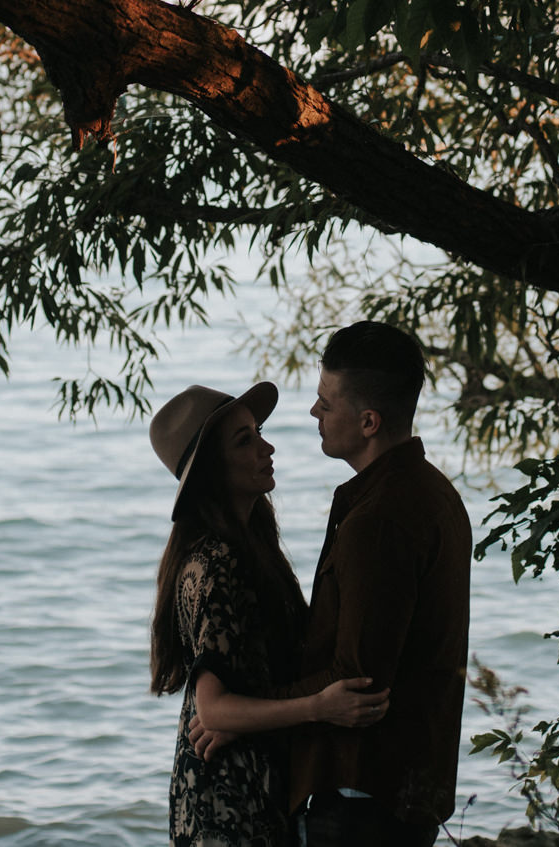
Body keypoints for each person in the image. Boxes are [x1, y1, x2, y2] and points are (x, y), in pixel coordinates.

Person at [195, 323, 473, 847]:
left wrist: (245, 715)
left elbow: (356, 683)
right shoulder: (432, 492)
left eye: (325, 402)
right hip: (401, 787)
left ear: (368, 421)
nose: (313, 413)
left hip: (361, 794)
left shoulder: (382, 518)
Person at [149, 381, 390, 847]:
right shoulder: (219, 562)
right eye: (245, 441)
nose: (267, 446)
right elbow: (213, 708)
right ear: (212, 473)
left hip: (248, 787)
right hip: (227, 803)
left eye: (257, 430)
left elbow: (242, 690)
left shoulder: (250, 548)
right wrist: (320, 708)